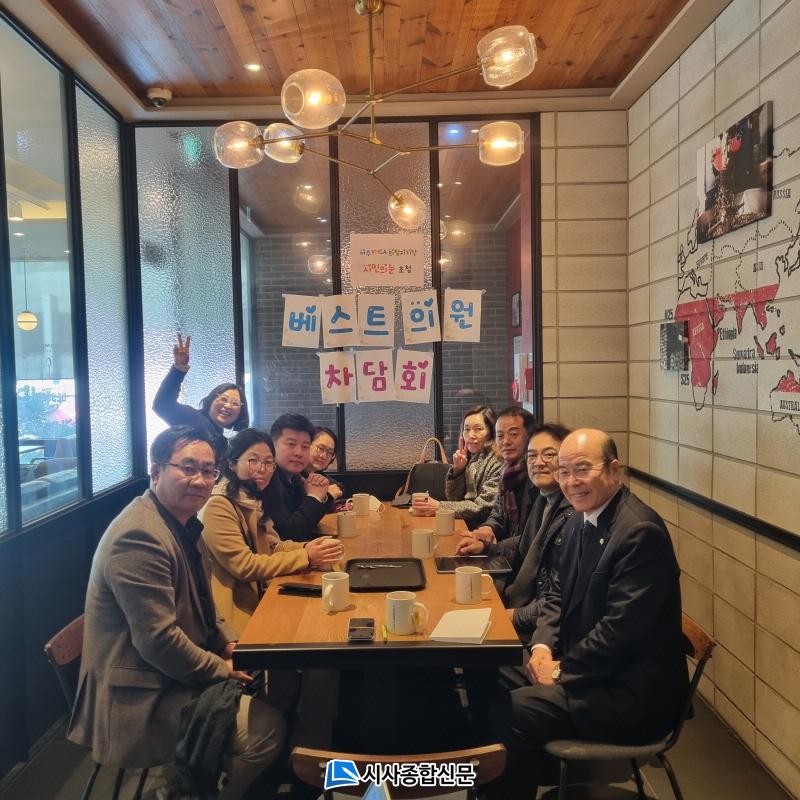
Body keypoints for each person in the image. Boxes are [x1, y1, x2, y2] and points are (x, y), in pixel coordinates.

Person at [68, 426, 284, 799]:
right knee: (267, 731)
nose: (200, 480)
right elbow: (159, 642)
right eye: (187, 468)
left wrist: (228, 643)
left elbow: (205, 603)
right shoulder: (140, 537)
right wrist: (221, 668)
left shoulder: (181, 523)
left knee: (276, 682)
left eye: (208, 470)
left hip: (166, 673)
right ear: (156, 471)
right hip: (141, 696)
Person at [495, 428, 688, 799]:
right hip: (590, 669)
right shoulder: (578, 521)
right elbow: (556, 596)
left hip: (628, 693)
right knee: (493, 669)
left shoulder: (639, 532)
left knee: (513, 709)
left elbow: (619, 633)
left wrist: (561, 670)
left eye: (582, 469)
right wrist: (541, 649)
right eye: (564, 472)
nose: (571, 482)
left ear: (614, 469)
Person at [201, 428, 345, 634]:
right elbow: (245, 566)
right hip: (235, 615)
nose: (263, 469)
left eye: (269, 463)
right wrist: (306, 556)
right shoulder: (219, 505)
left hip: (262, 595)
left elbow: (273, 546)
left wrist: (310, 547)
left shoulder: (253, 497)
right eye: (253, 460)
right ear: (232, 463)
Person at [457, 423, 573, 637]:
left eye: (549, 455)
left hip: (540, 627)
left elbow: (562, 598)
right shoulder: (543, 497)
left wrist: (512, 616)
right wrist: (485, 547)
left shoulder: (573, 513)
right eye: (532, 456)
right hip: (522, 599)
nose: (538, 462)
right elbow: (526, 543)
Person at [153, 333, 249, 457]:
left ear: (241, 412)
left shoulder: (225, 444)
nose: (228, 405)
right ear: (211, 400)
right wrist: (178, 370)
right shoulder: (193, 419)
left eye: (235, 403)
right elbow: (162, 405)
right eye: (224, 399)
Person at [411, 406, 502, 529]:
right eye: (467, 429)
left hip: (486, 531)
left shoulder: (498, 461)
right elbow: (455, 500)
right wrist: (458, 470)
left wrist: (439, 507)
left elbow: (484, 508)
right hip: (466, 525)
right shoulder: (473, 459)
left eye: (479, 429)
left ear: (492, 432)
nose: (471, 435)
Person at [456, 405, 536, 545]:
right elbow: (498, 514)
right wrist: (488, 528)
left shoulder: (535, 475)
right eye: (500, 436)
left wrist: (488, 548)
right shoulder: (507, 471)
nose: (506, 441)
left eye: (513, 434)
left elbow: (531, 539)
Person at [262, 413, 331, 540]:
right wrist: (314, 497)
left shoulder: (297, 477)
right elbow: (289, 534)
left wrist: (322, 495)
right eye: (291, 444)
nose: (299, 453)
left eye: (305, 447)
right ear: (272, 446)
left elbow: (309, 521)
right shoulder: (266, 479)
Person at [307, 426, 346, 502]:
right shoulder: (293, 476)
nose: (324, 456)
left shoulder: (317, 474)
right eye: (321, 448)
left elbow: (339, 487)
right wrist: (326, 495)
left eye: (329, 452)